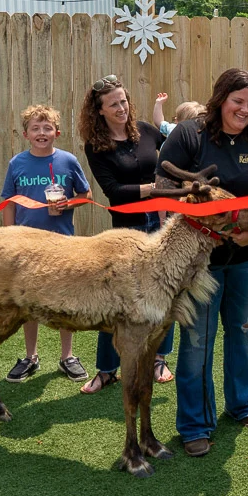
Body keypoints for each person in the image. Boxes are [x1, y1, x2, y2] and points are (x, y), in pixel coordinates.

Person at [156, 68, 248, 458]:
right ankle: (195, 424)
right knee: (197, 342)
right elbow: (164, 192)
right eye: (237, 102)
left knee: (243, 330)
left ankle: (244, 405)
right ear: (220, 99)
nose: (244, 110)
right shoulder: (188, 135)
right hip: (200, 264)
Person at [78, 74, 174, 393]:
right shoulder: (96, 146)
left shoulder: (146, 130)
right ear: (99, 111)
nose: (121, 108)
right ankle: (107, 369)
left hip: (161, 223)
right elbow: (114, 192)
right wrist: (153, 188)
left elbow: (176, 152)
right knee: (118, 301)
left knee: (163, 293)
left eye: (124, 101)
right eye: (113, 104)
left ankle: (159, 357)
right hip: (127, 231)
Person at [0, 104, 92, 384]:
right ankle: (31, 356)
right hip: (27, 245)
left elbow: (85, 194)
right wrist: (9, 237)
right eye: (35, 128)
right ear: (26, 134)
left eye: (47, 128)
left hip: (62, 242)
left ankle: (67, 356)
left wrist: (67, 204)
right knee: (29, 304)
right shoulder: (17, 163)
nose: (42, 133)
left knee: (66, 300)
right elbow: (9, 201)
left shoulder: (68, 161)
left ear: (57, 132)